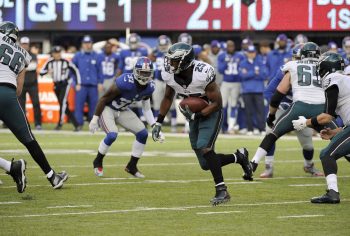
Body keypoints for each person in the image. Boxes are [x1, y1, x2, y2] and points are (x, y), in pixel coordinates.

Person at [151, 42, 253, 206]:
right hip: (194, 115)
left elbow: (217, 103)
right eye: (170, 60)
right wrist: (158, 122)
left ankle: (222, 190)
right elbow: (168, 97)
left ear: (185, 61)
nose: (170, 64)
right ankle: (239, 157)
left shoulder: (202, 72)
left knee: (205, 147)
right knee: (205, 163)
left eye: (175, 61)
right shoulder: (169, 74)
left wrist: (197, 114)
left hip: (211, 112)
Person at [0, 21, 68, 189]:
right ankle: (52, 177)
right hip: (9, 94)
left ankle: (11, 167)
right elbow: (19, 90)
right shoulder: (24, 54)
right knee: (29, 139)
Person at [250, 42, 336, 174]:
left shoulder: (292, 66)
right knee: (270, 132)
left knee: (305, 142)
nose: (297, 60)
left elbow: (277, 93)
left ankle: (308, 165)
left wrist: (272, 114)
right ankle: (268, 167)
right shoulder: (322, 67)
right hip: (293, 107)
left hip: (298, 107)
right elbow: (269, 92)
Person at [89, 57, 162, 178]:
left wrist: (154, 125)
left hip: (123, 110)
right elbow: (104, 98)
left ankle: (132, 166)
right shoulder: (125, 81)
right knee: (112, 135)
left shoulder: (150, 87)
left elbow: (147, 108)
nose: (144, 76)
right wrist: (95, 118)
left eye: (147, 73)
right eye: (142, 72)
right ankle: (97, 161)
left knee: (143, 134)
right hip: (108, 108)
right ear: (135, 71)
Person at [292, 52, 347, 204]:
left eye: (321, 69)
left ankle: (333, 193)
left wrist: (306, 122)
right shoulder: (344, 80)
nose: (320, 73)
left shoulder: (332, 78)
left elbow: (327, 116)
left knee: (326, 154)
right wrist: (334, 132)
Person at [40, 46, 80, 131]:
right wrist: (47, 71)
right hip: (56, 85)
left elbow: (75, 70)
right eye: (55, 53)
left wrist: (78, 83)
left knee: (63, 103)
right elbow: (41, 72)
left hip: (65, 84)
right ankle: (77, 124)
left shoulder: (66, 62)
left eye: (58, 53)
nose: (57, 55)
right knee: (64, 105)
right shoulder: (50, 62)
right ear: (53, 54)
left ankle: (60, 124)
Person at [72, 35, 103, 128]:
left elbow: (100, 70)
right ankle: (78, 124)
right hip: (81, 85)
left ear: (92, 44)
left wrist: (100, 82)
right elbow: (72, 70)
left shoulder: (97, 56)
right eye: (85, 43)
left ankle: (93, 124)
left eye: (89, 43)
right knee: (79, 105)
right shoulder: (77, 56)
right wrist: (75, 83)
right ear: (82, 44)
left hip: (93, 85)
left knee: (94, 106)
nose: (87, 45)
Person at [150, 35, 177, 133]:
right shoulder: (156, 52)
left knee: (172, 103)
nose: (163, 47)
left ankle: (174, 123)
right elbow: (149, 59)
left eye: (164, 45)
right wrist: (152, 53)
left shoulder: (173, 51)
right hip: (158, 79)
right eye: (161, 45)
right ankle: (156, 124)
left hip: (170, 80)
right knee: (157, 103)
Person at [239, 45, 268, 135]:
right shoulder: (243, 63)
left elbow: (264, 75)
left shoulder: (260, 62)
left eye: (253, 52)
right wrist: (254, 73)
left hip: (258, 90)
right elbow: (242, 76)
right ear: (247, 53)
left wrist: (249, 73)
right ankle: (250, 129)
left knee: (260, 110)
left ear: (255, 53)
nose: (251, 54)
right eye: (250, 52)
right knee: (248, 111)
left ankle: (261, 129)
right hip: (247, 90)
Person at [218, 40, 245, 133]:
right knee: (222, 105)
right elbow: (220, 70)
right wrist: (227, 62)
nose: (231, 48)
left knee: (233, 105)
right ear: (226, 47)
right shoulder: (222, 56)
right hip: (225, 82)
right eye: (229, 46)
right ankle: (221, 126)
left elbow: (243, 68)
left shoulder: (240, 56)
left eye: (232, 46)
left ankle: (231, 126)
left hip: (236, 83)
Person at [18, 36, 42, 130]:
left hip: (32, 84)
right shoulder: (17, 54)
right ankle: (23, 125)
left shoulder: (33, 55)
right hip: (21, 84)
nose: (24, 46)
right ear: (20, 44)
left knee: (36, 104)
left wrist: (21, 67)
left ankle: (38, 124)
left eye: (26, 44)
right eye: (23, 44)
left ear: (28, 45)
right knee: (21, 105)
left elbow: (33, 66)